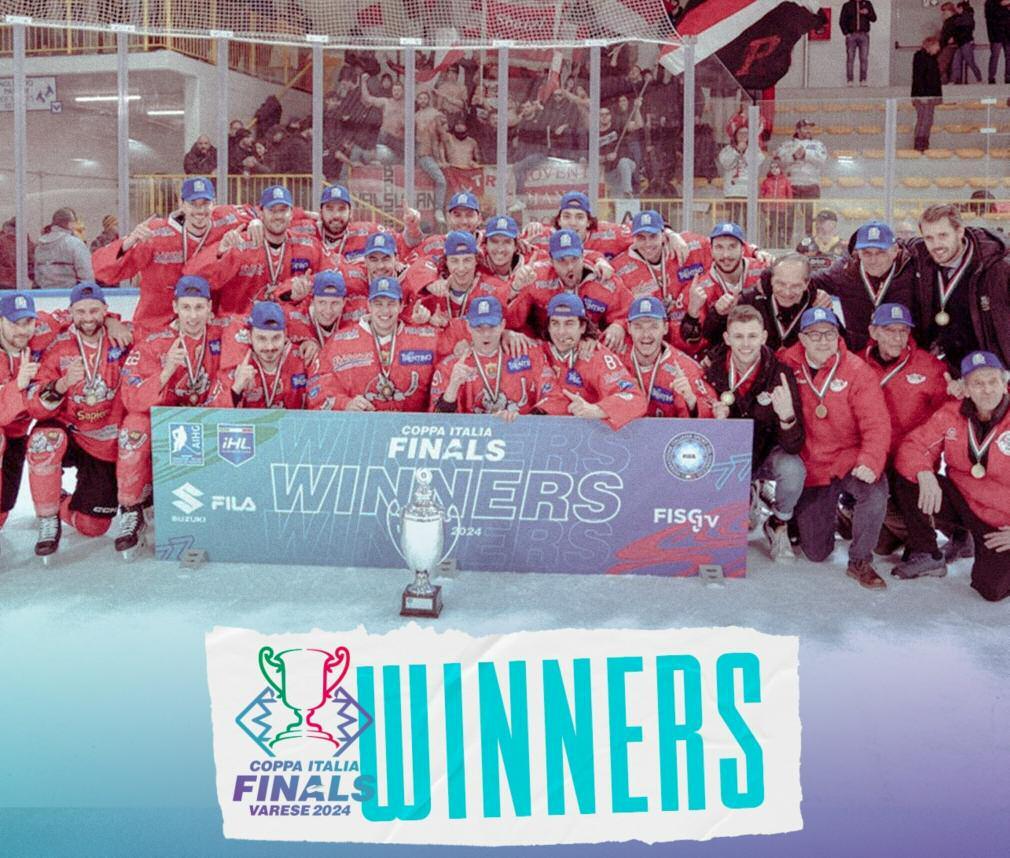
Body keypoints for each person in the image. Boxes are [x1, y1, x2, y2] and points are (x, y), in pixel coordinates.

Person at [115, 276, 231, 551]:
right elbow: (132, 398)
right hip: (165, 425)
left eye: (199, 307)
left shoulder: (224, 335)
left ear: (209, 307)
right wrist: (165, 372)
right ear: (175, 306)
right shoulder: (154, 343)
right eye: (186, 307)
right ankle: (131, 508)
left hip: (206, 419)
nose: (193, 315)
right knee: (134, 429)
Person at [781, 307, 891, 589]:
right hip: (811, 466)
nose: (823, 341)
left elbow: (877, 423)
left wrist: (870, 460)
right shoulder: (786, 363)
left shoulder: (858, 371)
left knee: (875, 492)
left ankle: (860, 560)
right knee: (816, 553)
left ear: (838, 336)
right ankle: (832, 516)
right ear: (802, 339)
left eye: (829, 334)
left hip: (848, 459)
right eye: (814, 334)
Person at [894, 350, 1010, 601]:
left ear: (1004, 384)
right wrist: (924, 472)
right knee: (909, 478)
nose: (987, 390)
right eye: (977, 383)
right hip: (963, 501)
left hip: (1002, 521)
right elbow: (913, 446)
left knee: (991, 589)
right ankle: (928, 553)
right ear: (965, 389)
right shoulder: (952, 414)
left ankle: (979, 546)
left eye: (993, 381)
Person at [25, 284, 130, 557]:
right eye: (81, 311)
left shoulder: (122, 339)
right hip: (69, 430)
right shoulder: (57, 346)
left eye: (94, 311)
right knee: (44, 440)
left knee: (93, 526)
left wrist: (114, 323)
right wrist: (62, 384)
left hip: (104, 441)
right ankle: (47, 518)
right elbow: (36, 404)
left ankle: (60, 501)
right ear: (71, 311)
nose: (87, 318)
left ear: (106, 310)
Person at [92, 176, 256, 337]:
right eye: (193, 204)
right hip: (157, 327)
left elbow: (261, 211)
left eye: (205, 203)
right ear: (181, 204)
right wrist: (128, 243)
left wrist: (256, 223)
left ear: (214, 203)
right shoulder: (154, 233)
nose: (200, 211)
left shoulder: (227, 219)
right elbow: (103, 271)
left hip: (204, 328)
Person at [703, 304, 806, 560]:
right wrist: (712, 418)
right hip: (729, 459)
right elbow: (699, 430)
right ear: (727, 338)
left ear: (764, 336)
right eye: (738, 336)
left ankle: (778, 522)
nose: (746, 344)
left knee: (793, 469)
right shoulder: (711, 370)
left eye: (752, 336)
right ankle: (747, 493)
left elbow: (794, 445)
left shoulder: (780, 374)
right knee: (732, 526)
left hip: (766, 453)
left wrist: (787, 417)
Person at [861, 303, 949, 557]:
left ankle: (945, 532)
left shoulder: (930, 367)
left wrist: (924, 458)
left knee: (907, 493)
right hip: (873, 457)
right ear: (874, 332)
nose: (898, 338)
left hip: (911, 461)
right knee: (880, 546)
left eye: (903, 331)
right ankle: (906, 530)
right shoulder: (856, 363)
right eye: (890, 330)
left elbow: (947, 417)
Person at [187, 185, 337, 317]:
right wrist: (220, 253)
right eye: (272, 210)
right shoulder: (239, 242)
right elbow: (192, 276)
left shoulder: (308, 245)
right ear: (260, 213)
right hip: (240, 329)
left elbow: (336, 272)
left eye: (283, 210)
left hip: (286, 329)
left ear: (291, 213)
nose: (278, 216)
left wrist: (302, 286)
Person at [906, 203, 1010, 375]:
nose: (936, 245)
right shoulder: (923, 262)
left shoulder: (997, 268)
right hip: (945, 368)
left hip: (988, 372)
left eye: (943, 235)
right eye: (929, 238)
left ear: (960, 232)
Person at [306, 276, 437, 412]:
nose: (385, 311)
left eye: (391, 304)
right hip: (360, 423)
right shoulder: (339, 341)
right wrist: (345, 404)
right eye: (378, 304)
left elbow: (444, 376)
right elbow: (317, 386)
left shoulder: (425, 339)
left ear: (400, 306)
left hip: (411, 424)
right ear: (369, 306)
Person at [429, 296, 561, 418]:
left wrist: (525, 420)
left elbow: (554, 397)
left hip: (519, 433)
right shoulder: (450, 367)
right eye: (479, 327)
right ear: (468, 327)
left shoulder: (529, 355)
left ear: (502, 325)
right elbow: (436, 423)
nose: (486, 334)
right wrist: (452, 389)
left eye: (492, 326)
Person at [509, 229, 632, 351]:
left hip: (591, 348)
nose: (570, 267)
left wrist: (619, 325)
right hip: (545, 348)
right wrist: (516, 289)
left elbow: (631, 310)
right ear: (551, 260)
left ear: (582, 255)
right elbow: (512, 319)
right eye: (561, 260)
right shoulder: (535, 277)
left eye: (574, 259)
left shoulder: (604, 280)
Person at [539, 292, 646, 431]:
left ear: (582, 326)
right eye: (555, 323)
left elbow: (636, 399)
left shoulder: (596, 356)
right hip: (544, 434)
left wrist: (596, 410)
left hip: (589, 436)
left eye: (569, 323)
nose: (561, 332)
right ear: (548, 326)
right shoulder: (538, 351)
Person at [812, 221, 917, 353]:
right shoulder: (845, 270)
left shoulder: (911, 270)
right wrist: (817, 293)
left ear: (895, 250)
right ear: (858, 252)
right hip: (859, 352)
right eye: (867, 253)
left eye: (881, 252)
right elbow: (807, 282)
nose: (873, 260)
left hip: (903, 352)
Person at [701, 253, 830, 352]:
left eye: (795, 286)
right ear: (772, 279)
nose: (787, 292)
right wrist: (718, 314)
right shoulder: (750, 300)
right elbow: (711, 337)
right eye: (780, 284)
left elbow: (835, 342)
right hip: (759, 372)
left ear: (806, 284)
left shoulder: (818, 304)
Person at [621, 295, 715, 419]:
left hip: (669, 432)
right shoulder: (617, 360)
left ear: (665, 328)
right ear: (629, 328)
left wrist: (691, 402)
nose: (646, 335)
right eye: (638, 326)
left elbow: (711, 411)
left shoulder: (684, 368)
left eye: (654, 327)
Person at [680, 221, 765, 355]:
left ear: (743, 249)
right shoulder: (700, 288)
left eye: (732, 247)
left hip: (762, 351)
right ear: (711, 251)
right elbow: (692, 344)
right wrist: (692, 313)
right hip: (722, 356)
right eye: (719, 247)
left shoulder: (762, 271)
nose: (726, 255)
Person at [209, 301, 307, 410]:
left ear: (285, 334)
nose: (269, 347)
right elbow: (212, 413)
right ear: (250, 336)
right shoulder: (237, 365)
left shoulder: (303, 358)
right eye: (261, 338)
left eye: (276, 338)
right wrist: (236, 389)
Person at [776, 120, 827, 235]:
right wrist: (794, 156)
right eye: (805, 128)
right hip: (791, 185)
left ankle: (811, 241)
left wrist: (805, 155)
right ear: (797, 130)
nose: (808, 130)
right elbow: (779, 162)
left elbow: (822, 161)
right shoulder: (786, 145)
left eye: (810, 128)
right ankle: (785, 241)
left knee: (811, 218)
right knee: (787, 217)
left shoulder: (818, 144)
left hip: (811, 185)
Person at [717, 126, 764, 230]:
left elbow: (755, 163)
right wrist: (737, 151)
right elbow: (726, 164)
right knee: (732, 222)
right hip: (732, 191)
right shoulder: (728, 149)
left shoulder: (755, 149)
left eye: (746, 134)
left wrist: (745, 151)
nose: (743, 136)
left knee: (750, 222)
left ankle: (748, 239)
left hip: (749, 192)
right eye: (740, 133)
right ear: (735, 135)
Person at [35, 207, 93, 288]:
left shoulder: (40, 245)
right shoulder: (75, 243)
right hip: (70, 292)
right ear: (70, 224)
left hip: (45, 292)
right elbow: (86, 273)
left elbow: (37, 275)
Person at [911, 36, 943, 153]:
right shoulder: (920, 57)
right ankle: (919, 144)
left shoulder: (932, 58)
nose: (938, 48)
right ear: (931, 45)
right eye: (936, 46)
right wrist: (921, 96)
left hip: (931, 95)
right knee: (923, 120)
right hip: (923, 95)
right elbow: (918, 78)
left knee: (928, 120)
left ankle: (924, 143)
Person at [840, 0, 877, 86]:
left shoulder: (867, 4)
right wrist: (846, 33)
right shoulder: (847, 5)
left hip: (864, 35)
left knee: (864, 58)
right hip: (851, 35)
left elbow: (874, 18)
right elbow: (842, 21)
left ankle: (863, 80)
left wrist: (867, 13)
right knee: (850, 58)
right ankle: (850, 80)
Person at [760, 158, 794, 249]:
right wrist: (763, 205)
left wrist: (789, 205)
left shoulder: (785, 181)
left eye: (776, 167)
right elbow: (762, 193)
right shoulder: (766, 181)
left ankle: (781, 244)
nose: (774, 169)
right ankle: (767, 243)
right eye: (772, 167)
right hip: (769, 208)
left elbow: (789, 193)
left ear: (781, 169)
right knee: (769, 226)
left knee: (781, 226)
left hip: (781, 208)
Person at [952, 1, 983, 84]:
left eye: (958, 8)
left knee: (963, 61)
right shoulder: (968, 18)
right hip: (964, 42)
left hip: (964, 42)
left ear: (961, 8)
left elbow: (961, 31)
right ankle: (978, 79)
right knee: (962, 61)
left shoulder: (962, 19)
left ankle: (978, 78)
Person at [0, 218, 35, 288]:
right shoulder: (28, 244)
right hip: (19, 283)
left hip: (3, 281)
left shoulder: (2, 241)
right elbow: (32, 266)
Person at [984, 0, 1010, 84]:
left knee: (1001, 56)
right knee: (995, 56)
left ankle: (1004, 77)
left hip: (1004, 34)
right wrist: (1004, 6)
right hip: (997, 34)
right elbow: (994, 16)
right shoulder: (990, 3)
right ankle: (992, 77)